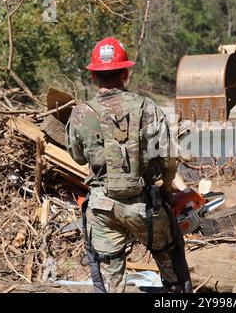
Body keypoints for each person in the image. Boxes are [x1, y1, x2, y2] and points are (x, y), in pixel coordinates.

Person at [66, 37, 193, 293]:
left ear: (94, 77)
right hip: (145, 206)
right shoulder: (148, 107)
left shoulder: (81, 113)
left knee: (110, 279)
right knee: (171, 261)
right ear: (125, 73)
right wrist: (167, 188)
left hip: (103, 209)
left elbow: (77, 157)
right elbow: (168, 158)